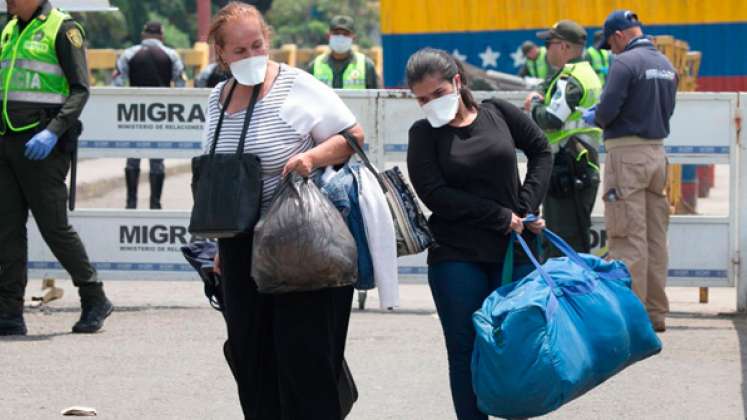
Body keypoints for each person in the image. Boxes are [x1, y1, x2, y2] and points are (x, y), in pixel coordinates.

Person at [205, 3, 365, 418]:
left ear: (268, 40)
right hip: (240, 249)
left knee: (305, 363)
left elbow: (353, 135)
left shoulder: (297, 85)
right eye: (239, 50)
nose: (250, 55)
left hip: (298, 243)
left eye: (256, 45)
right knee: (252, 361)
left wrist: (310, 159)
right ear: (221, 54)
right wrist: (222, 247)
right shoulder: (215, 99)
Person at [405, 48, 553, 420]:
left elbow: (541, 150)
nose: (431, 104)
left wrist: (524, 208)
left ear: (457, 81)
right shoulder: (423, 134)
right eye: (422, 99)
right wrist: (499, 215)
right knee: (465, 351)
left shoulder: (498, 112)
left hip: (513, 251)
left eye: (437, 94)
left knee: (518, 348)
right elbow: (434, 193)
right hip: (457, 255)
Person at [0, 0, 112, 335]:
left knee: (54, 228)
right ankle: (9, 311)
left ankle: (94, 297)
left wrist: (52, 132)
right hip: (6, 141)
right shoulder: (8, 29)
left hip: (42, 146)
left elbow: (80, 90)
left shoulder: (63, 29)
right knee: (6, 231)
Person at [585, 10, 677, 332]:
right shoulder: (666, 65)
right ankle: (655, 313)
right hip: (657, 154)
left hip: (627, 156)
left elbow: (608, 111)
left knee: (627, 237)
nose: (612, 51)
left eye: (611, 44)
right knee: (655, 238)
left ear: (619, 35)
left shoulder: (624, 63)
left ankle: (632, 318)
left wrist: (592, 115)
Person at [525, 20, 603, 258]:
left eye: (550, 43)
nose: (547, 49)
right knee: (573, 240)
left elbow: (551, 119)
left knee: (560, 245)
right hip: (580, 164)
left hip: (567, 167)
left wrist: (534, 105)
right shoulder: (584, 73)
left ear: (564, 47)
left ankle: (563, 293)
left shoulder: (571, 77)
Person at [113, 21, 186, 209]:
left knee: (132, 157)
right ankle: (155, 204)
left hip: (134, 114)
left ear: (143, 35)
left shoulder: (129, 54)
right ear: (162, 35)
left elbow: (118, 84)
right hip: (160, 116)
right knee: (157, 160)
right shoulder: (171, 55)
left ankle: (131, 203)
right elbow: (180, 86)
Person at [308, 15, 379, 89]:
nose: (341, 37)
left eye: (346, 34)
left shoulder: (366, 66)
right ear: (328, 36)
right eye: (336, 33)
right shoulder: (314, 66)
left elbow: (375, 98)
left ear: (353, 37)